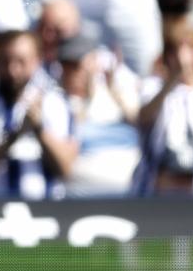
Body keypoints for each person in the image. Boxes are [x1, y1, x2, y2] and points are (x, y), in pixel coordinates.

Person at [0, 29, 78, 199]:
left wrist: (39, 130)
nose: (13, 70)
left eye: (21, 61)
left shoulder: (56, 103)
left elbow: (66, 167)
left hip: (47, 214)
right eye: (6, 61)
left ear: (37, 60)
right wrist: (12, 136)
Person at [55, 33, 141, 195]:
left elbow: (143, 127)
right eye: (66, 65)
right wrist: (84, 102)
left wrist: (115, 93)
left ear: (94, 62)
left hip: (131, 193)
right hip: (82, 196)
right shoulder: (57, 101)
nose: (72, 72)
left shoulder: (117, 92)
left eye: (77, 65)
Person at [134, 26, 193, 196]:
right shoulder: (154, 86)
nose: (184, 57)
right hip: (156, 190)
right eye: (177, 50)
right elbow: (144, 117)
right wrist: (172, 80)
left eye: (192, 49)